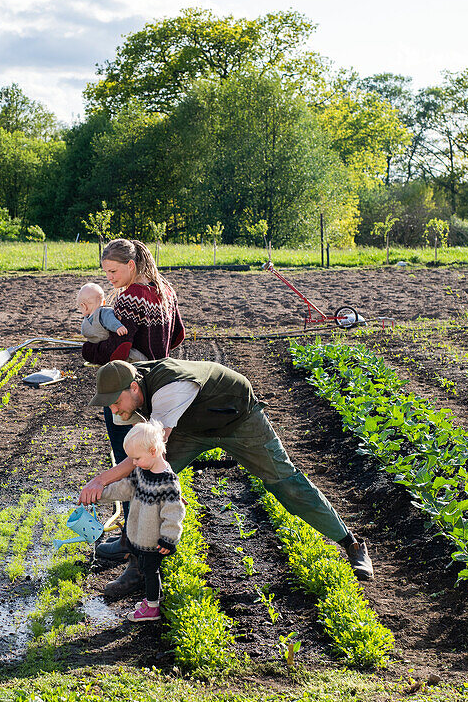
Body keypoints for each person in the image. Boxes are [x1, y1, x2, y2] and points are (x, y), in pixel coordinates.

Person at [80, 359, 374, 590]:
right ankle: (136, 565)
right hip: (192, 429)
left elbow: (149, 446)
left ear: (133, 387)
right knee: (145, 480)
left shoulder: (170, 388)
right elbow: (142, 457)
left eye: (115, 400)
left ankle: (351, 543)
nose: (114, 408)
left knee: (286, 483)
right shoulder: (133, 382)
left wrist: (101, 480)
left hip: (238, 420)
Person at [80, 239, 185, 594]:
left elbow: (117, 349)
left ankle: (136, 556)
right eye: (105, 272)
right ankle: (129, 540)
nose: (109, 279)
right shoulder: (165, 291)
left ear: (131, 264)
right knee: (143, 462)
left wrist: (88, 347)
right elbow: (180, 334)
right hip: (154, 385)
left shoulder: (129, 297)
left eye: (113, 271)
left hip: (127, 389)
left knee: (130, 463)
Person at [88, 419, 183, 622]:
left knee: (150, 571)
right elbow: (125, 488)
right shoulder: (142, 471)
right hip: (139, 536)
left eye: (136, 458)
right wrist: (101, 493)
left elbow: (174, 514)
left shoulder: (168, 483)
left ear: (153, 450)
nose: (133, 463)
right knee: (146, 569)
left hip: (153, 542)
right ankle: (152, 599)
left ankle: (152, 608)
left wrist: (168, 539)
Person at [76, 282, 148, 362]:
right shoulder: (88, 318)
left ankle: (143, 360)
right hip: (98, 346)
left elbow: (110, 319)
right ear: (103, 302)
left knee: (132, 355)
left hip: (109, 345)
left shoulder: (103, 312)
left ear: (84, 306)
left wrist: (118, 327)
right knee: (87, 350)